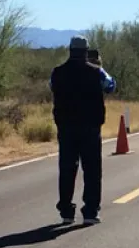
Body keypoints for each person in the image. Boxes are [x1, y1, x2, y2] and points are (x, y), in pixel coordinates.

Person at [49, 36, 116, 225]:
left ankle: (66, 211)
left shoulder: (57, 72)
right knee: (92, 170)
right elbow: (111, 85)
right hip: (90, 128)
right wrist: (98, 66)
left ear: (70, 50)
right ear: (86, 51)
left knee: (67, 169)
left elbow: (52, 87)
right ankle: (90, 212)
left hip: (66, 128)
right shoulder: (97, 72)